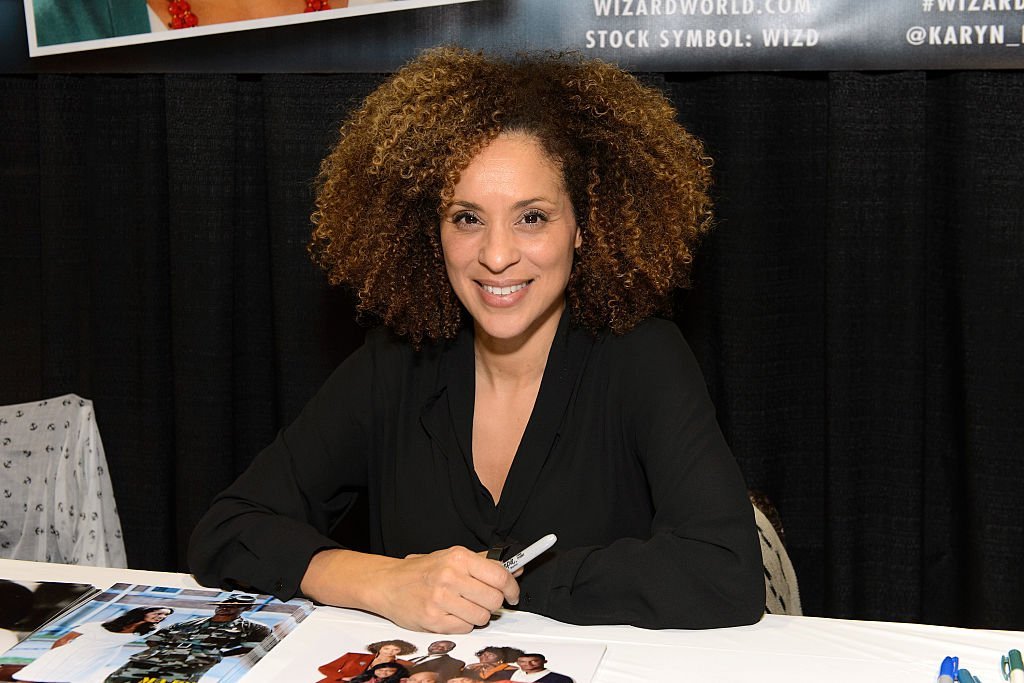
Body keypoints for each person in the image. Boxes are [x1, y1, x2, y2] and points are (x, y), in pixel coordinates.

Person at [188, 46, 764, 632]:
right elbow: (228, 528)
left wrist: (507, 580)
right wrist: (382, 580)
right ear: (429, 231)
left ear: (584, 226)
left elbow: (723, 572)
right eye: (467, 218)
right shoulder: (396, 365)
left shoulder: (642, 357)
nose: (495, 255)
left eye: (531, 217)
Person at [103, 594, 270, 683]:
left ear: (245, 608)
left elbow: (251, 647)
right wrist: (165, 650)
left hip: (184, 669)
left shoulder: (253, 628)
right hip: (146, 663)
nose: (224, 608)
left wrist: (214, 654)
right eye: (222, 604)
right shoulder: (189, 622)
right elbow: (156, 638)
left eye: (232, 606)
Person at [13, 607, 173, 683]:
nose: (161, 617)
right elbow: (64, 640)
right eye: (158, 613)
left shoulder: (151, 629)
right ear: (144, 611)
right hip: (72, 652)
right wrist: (54, 656)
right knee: (32, 678)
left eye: (165, 615)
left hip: (97, 658)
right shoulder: (97, 625)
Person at [317, 639, 417, 682]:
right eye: (386, 648)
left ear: (401, 651)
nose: (390, 652)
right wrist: (343, 677)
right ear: (379, 648)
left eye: (395, 650)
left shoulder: (404, 665)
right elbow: (325, 668)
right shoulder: (354, 656)